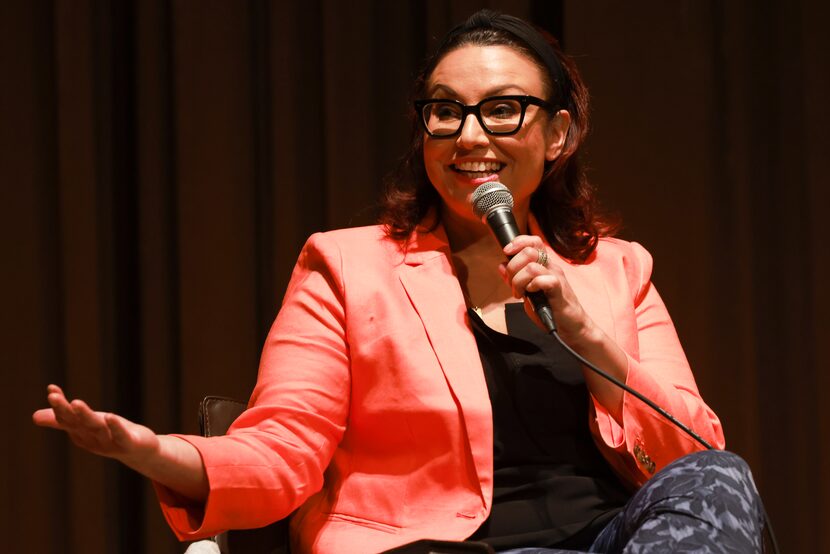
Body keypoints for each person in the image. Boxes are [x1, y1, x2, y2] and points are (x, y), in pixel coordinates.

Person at [33, 9, 765, 554]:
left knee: (720, 477)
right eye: (446, 112)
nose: (470, 136)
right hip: (426, 548)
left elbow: (694, 460)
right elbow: (282, 449)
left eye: (502, 110)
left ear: (559, 134)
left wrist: (590, 342)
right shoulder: (346, 266)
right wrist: (156, 452)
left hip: (602, 541)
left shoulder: (617, 270)